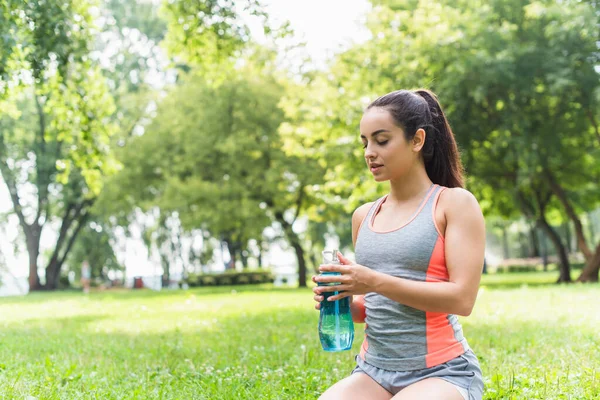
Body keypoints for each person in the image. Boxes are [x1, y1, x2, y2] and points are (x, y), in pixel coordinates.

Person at [312, 89, 485, 400]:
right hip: (372, 371)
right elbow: (381, 305)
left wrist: (371, 280)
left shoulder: (453, 204)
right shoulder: (363, 216)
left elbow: (462, 299)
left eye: (382, 140)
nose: (369, 152)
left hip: (443, 371)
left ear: (417, 140)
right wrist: (345, 302)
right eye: (364, 142)